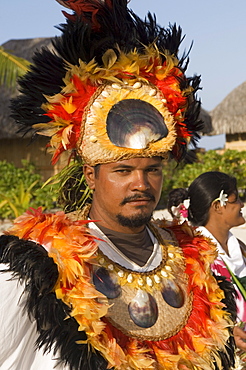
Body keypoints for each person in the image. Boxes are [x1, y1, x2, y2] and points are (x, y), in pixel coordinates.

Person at [0, 0, 237, 369]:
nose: (141, 184)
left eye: (152, 169)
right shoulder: (41, 264)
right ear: (91, 174)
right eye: (123, 170)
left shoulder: (194, 257)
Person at [167, 171, 246, 355]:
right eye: (236, 200)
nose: (242, 204)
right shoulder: (193, 257)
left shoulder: (239, 247)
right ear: (218, 206)